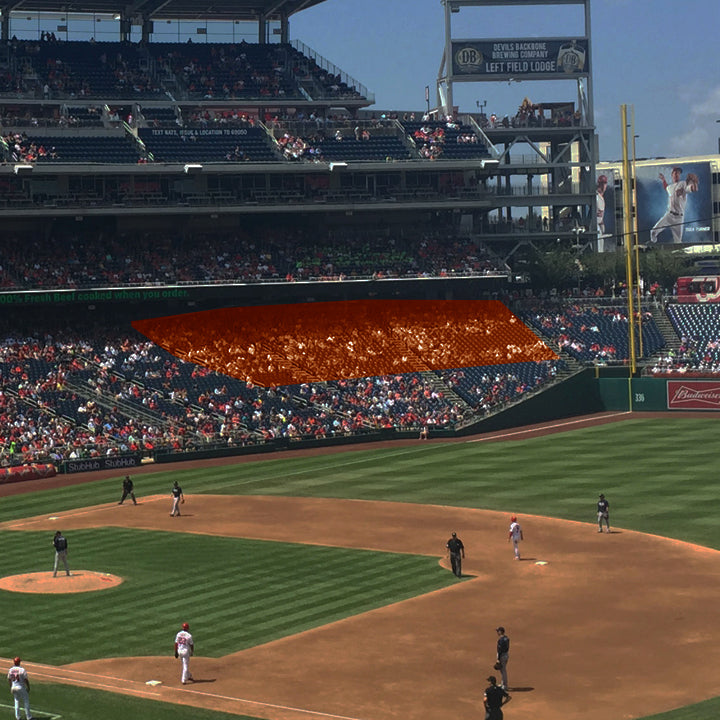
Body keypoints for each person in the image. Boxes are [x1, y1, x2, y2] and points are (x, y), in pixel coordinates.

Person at [649, 167, 699, 245]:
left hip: (679, 218)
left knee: (678, 242)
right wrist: (663, 180)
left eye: (678, 173)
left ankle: (678, 255)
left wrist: (694, 181)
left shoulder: (683, 184)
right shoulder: (670, 187)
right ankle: (652, 243)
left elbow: (694, 189)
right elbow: (666, 187)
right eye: (675, 173)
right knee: (653, 231)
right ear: (672, 175)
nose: (677, 174)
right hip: (669, 215)